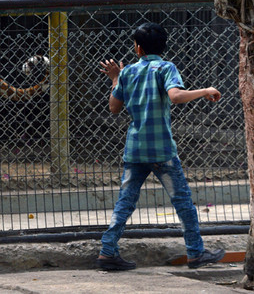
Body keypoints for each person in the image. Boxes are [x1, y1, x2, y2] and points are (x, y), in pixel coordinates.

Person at [96, 22, 225, 271]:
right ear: (163, 46)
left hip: (135, 149)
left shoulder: (128, 72)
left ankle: (107, 251)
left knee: (125, 201)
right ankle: (196, 253)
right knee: (183, 202)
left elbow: (114, 108)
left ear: (138, 48)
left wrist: (115, 78)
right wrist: (205, 90)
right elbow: (176, 96)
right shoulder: (166, 67)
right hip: (162, 150)